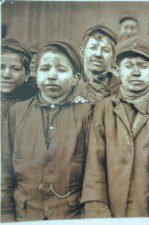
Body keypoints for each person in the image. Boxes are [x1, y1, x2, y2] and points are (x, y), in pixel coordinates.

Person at [81, 36, 149, 218]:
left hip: (147, 214)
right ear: (117, 70)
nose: (136, 73)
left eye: (143, 66)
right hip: (107, 214)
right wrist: (97, 212)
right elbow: (94, 166)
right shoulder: (103, 109)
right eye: (128, 66)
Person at [1, 41, 92, 222]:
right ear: (35, 74)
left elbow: (93, 176)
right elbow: (5, 174)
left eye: (60, 70)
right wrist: (5, 218)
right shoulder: (17, 113)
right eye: (45, 69)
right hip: (24, 215)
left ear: (75, 78)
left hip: (70, 215)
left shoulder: (86, 113)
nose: (51, 75)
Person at [75, 23, 121, 104]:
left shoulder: (120, 88)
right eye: (93, 48)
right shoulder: (72, 84)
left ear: (113, 56)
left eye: (105, 50)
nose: (98, 54)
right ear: (82, 51)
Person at [1, 37, 37, 128]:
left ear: (27, 74)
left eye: (16, 69)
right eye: (1, 67)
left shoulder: (35, 101)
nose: (6, 75)